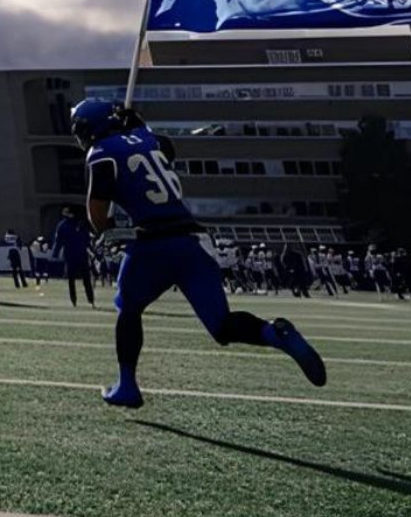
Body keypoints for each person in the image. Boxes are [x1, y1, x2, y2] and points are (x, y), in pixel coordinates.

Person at [70, 97, 325, 409]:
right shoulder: (154, 140)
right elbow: (163, 151)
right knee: (222, 325)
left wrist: (108, 230)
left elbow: (96, 212)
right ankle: (275, 333)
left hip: (152, 241)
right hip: (192, 239)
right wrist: (138, 125)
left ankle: (127, 385)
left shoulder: (100, 153)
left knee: (129, 308)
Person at [52, 205, 95, 308]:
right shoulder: (79, 224)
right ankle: (89, 300)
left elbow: (58, 241)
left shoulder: (63, 225)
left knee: (74, 280)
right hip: (79, 254)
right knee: (84, 279)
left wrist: (55, 254)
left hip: (71, 255)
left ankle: (76, 301)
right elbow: (87, 239)